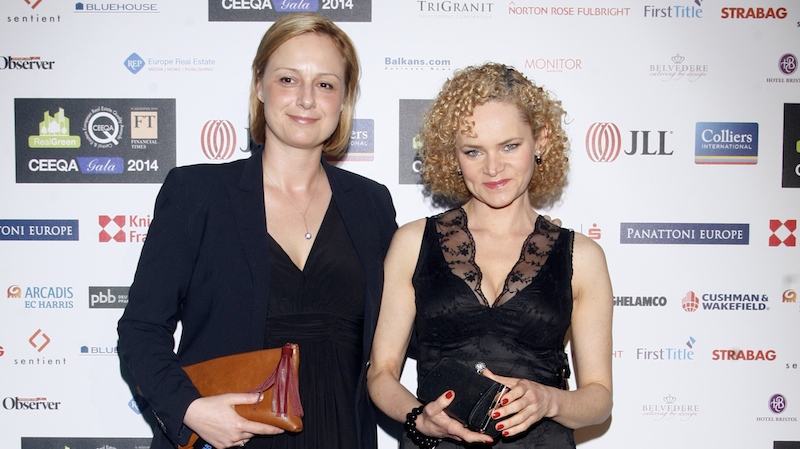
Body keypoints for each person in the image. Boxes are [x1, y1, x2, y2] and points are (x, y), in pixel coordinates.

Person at [117, 13, 396, 449]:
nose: (306, 99)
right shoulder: (197, 193)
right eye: (288, 79)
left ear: (344, 99)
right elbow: (141, 329)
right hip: (230, 439)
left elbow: (407, 326)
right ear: (260, 86)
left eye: (325, 84)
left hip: (341, 434)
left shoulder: (371, 204)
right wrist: (191, 411)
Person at [366, 63, 613, 448]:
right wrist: (419, 417)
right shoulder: (412, 243)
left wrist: (549, 400)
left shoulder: (582, 256)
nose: (493, 167)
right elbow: (381, 373)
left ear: (541, 141)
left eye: (510, 146)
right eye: (473, 151)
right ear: (453, 155)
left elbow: (599, 398)